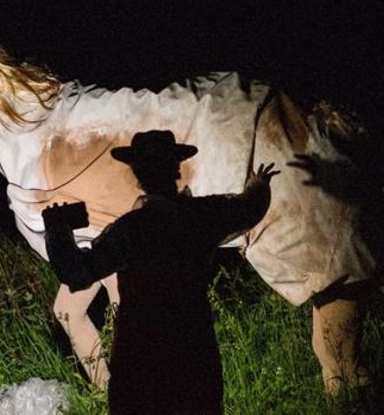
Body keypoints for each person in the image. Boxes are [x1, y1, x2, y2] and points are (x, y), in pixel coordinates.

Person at [42, 130, 279, 414]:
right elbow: (250, 208)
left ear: (138, 176)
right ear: (176, 169)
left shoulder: (131, 230)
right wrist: (259, 183)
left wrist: (58, 229)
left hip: (141, 360)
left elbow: (76, 272)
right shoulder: (203, 215)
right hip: (194, 352)